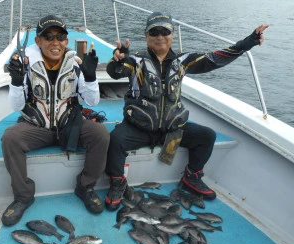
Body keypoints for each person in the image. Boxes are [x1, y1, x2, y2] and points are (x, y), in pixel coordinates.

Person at [104, 11, 269, 211]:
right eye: (154, 32)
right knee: (116, 139)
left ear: (172, 33)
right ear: (146, 36)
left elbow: (216, 58)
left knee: (206, 136)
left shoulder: (184, 61)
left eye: (165, 31)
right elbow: (115, 72)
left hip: (172, 130)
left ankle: (192, 176)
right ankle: (117, 181)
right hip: (139, 128)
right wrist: (118, 60)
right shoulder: (135, 61)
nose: (160, 36)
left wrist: (248, 42)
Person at [1, 15, 110, 226]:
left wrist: (90, 76)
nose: (55, 42)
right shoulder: (28, 66)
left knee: (101, 135)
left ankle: (85, 187)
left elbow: (92, 101)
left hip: (69, 124)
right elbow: (16, 105)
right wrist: (16, 81)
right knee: (10, 138)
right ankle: (23, 196)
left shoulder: (76, 65)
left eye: (60, 37)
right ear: (38, 41)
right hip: (37, 126)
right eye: (48, 37)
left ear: (66, 41)